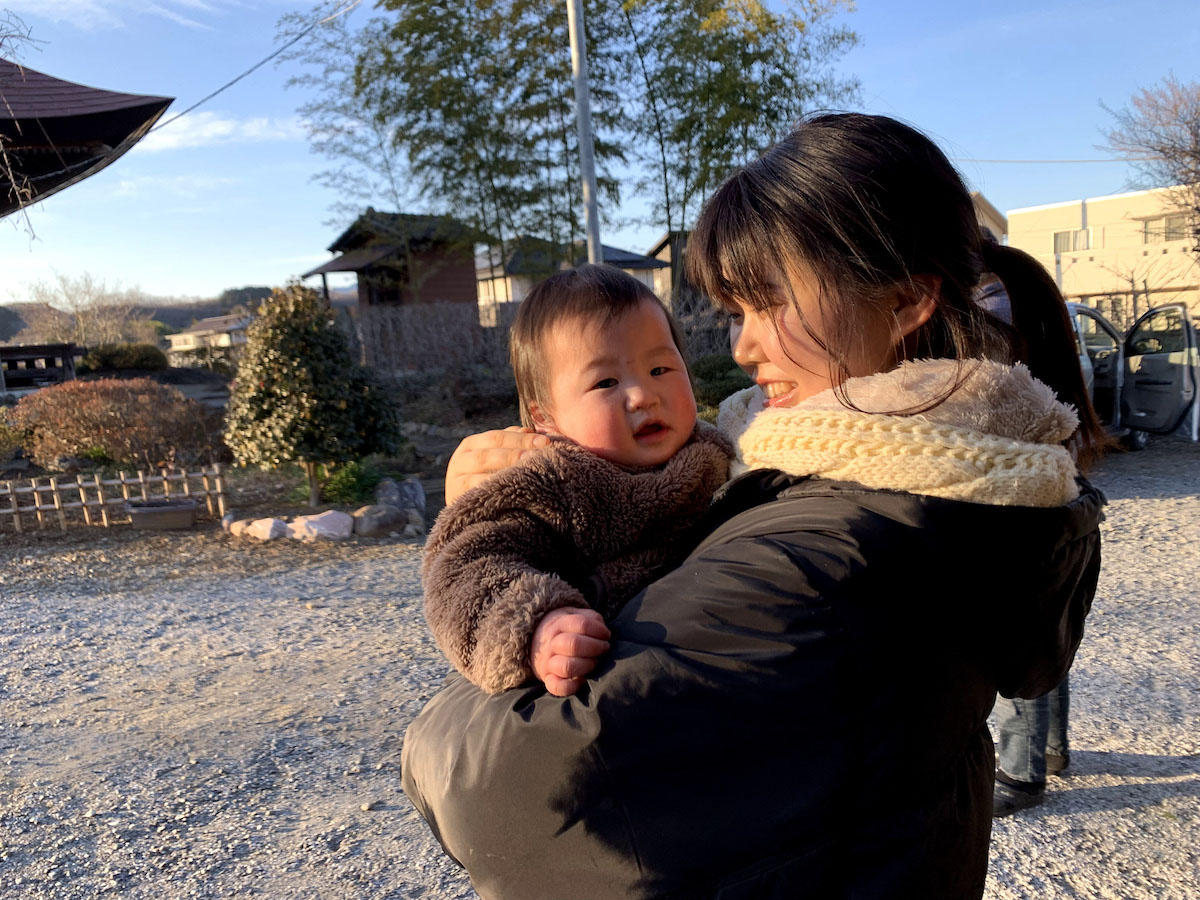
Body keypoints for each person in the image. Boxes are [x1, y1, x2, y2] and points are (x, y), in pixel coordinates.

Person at [401, 113, 1105, 900]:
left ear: (906, 300)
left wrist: (436, 724)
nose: (741, 348)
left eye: (769, 304)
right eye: (736, 312)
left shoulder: (829, 555)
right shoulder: (952, 493)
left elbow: (500, 791)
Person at [421, 264, 732, 696]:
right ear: (546, 417)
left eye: (660, 369)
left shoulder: (723, 452)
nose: (643, 395)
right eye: (606, 382)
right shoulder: (549, 485)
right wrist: (538, 627)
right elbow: (465, 573)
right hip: (608, 688)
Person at [974, 239, 1110, 816]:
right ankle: (1050, 751)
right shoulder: (1031, 323)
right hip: (1064, 520)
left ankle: (1019, 774)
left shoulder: (1000, 359)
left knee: (1015, 651)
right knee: (1048, 641)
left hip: (1025, 524)